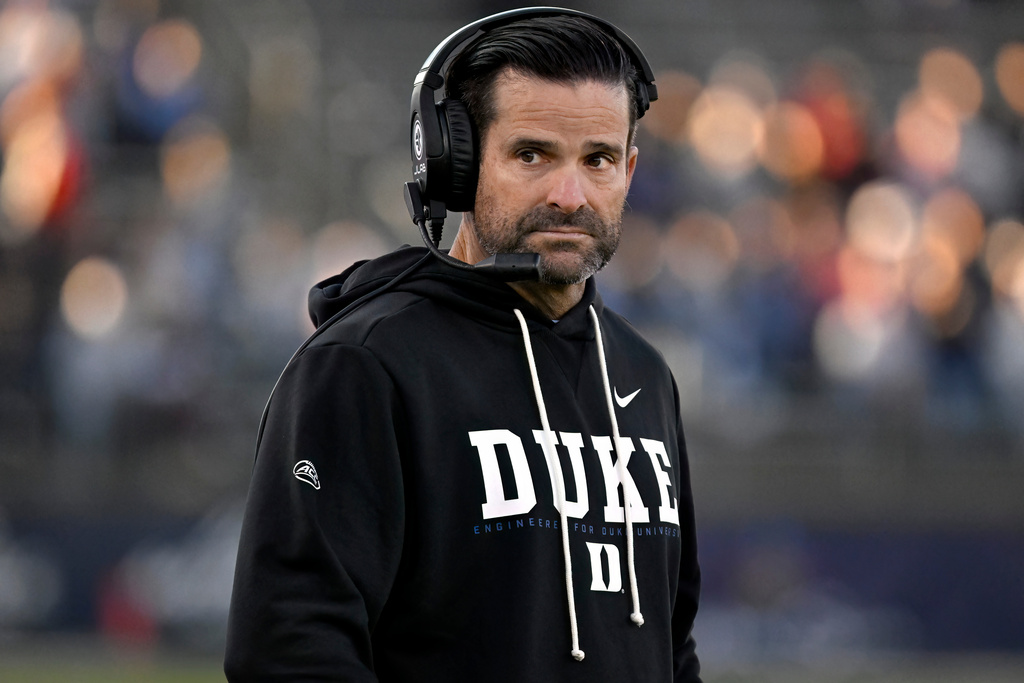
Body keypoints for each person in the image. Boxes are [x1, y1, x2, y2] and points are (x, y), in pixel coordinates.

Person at [225, 8, 701, 682]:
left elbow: (671, 649)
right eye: (532, 154)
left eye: (597, 160)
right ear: (458, 164)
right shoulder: (363, 365)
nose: (570, 195)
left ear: (628, 169)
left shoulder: (646, 375)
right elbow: (291, 648)